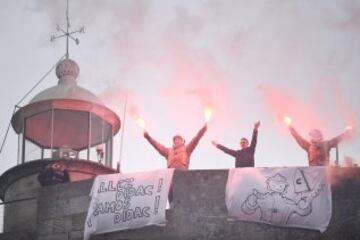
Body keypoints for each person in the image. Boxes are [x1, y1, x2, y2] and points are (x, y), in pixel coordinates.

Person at [143, 124, 207, 170]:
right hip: (170, 173)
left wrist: (203, 129)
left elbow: (196, 139)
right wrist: (148, 138)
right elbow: (157, 146)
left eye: (179, 139)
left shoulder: (187, 149)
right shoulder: (168, 151)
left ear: (182, 141)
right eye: (175, 139)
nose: (177, 140)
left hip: (182, 171)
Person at [287, 124, 353, 166]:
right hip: (312, 174)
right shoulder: (308, 146)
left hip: (325, 175)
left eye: (314, 134)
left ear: (319, 136)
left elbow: (336, 139)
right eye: (312, 135)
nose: (312, 137)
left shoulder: (326, 144)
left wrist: (347, 133)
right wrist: (291, 128)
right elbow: (299, 139)